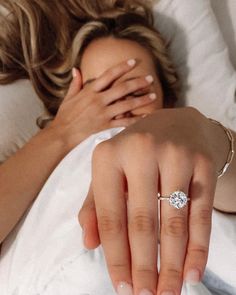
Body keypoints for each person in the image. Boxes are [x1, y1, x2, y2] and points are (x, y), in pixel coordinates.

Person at [0, 1, 235, 295]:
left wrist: (207, 136)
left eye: (135, 93)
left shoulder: (195, 152)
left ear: (168, 100)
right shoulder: (42, 176)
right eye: (100, 95)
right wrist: (62, 133)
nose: (119, 108)